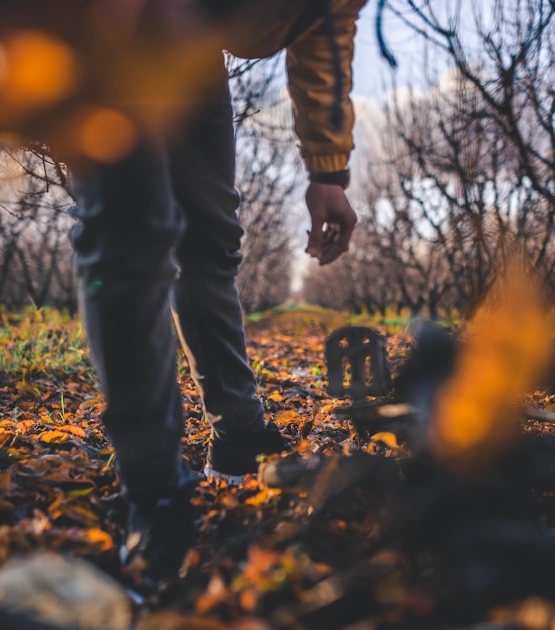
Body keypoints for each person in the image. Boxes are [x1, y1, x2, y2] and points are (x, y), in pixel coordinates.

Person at [61, 0, 366, 588]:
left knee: (211, 239)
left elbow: (325, 25)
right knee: (127, 229)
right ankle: (151, 489)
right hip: (108, 21)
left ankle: (236, 433)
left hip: (195, 47)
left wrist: (328, 170)